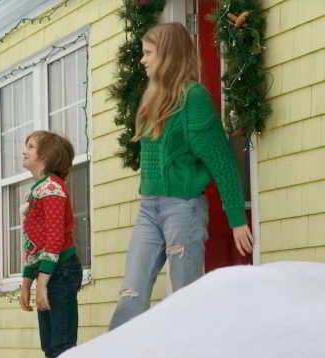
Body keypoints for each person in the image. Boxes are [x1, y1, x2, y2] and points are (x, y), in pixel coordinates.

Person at [108, 22, 254, 331]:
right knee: (130, 297)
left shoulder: (193, 98)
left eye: (148, 53)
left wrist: (236, 219)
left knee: (186, 300)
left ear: (168, 55)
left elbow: (221, 161)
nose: (142, 60)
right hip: (149, 209)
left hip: (182, 209)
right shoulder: (150, 98)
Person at [19, 131, 82, 358]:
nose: (24, 150)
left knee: (62, 347)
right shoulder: (38, 189)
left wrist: (42, 283)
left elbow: (55, 238)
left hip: (61, 272)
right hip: (48, 274)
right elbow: (34, 244)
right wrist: (27, 282)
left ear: (46, 156)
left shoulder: (53, 188)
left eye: (31, 146)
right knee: (49, 345)